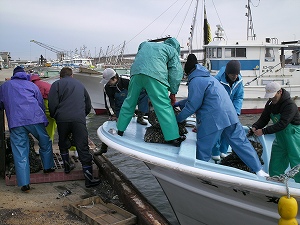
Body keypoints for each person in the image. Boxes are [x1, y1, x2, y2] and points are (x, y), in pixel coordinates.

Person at [175, 54, 268, 176]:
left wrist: (177, 119)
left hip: (213, 119)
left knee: (204, 147)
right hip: (231, 116)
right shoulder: (208, 78)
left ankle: (199, 174)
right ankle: (258, 170)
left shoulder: (196, 80)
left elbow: (193, 105)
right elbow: (194, 99)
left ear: (188, 72)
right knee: (241, 143)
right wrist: (178, 104)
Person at [116, 37, 185, 146]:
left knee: (130, 101)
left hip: (135, 73)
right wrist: (173, 92)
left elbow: (143, 57)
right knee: (163, 106)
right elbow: (175, 73)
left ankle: (120, 129)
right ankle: (173, 138)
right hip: (155, 75)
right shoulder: (172, 51)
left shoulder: (145, 44)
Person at [0, 66, 55, 192]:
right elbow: (40, 103)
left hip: (16, 122)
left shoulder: (5, 86)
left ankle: (24, 183)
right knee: (45, 141)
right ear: (24, 75)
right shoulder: (32, 85)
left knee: (20, 151)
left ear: (14, 75)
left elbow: (1, 103)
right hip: (35, 118)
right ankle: (47, 167)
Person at [48, 67, 101, 188]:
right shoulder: (80, 84)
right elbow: (88, 103)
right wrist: (82, 115)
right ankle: (88, 179)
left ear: (60, 76)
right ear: (72, 75)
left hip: (62, 118)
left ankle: (67, 167)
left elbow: (52, 103)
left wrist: (55, 115)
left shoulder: (56, 84)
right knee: (82, 146)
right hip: (78, 118)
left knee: (63, 141)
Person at [251, 81, 300, 182]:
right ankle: (275, 181)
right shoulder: (270, 103)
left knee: (296, 160)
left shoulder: (290, 105)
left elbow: (283, 124)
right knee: (276, 161)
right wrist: (256, 126)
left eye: (273, 96)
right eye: (269, 96)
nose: (271, 98)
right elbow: (264, 118)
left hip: (293, 136)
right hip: (280, 137)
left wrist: (263, 131)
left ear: (280, 92)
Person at [95, 68, 149, 156]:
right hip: (119, 107)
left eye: (109, 81)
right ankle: (103, 148)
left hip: (131, 102)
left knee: (144, 95)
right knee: (111, 126)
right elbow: (108, 103)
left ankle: (140, 116)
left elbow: (140, 90)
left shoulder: (126, 81)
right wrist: (113, 115)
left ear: (114, 78)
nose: (108, 83)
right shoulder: (107, 88)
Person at [211, 60, 244, 160]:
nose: (235, 76)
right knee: (217, 130)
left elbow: (239, 97)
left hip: (231, 110)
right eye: (232, 74)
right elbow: (213, 97)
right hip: (218, 110)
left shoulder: (239, 81)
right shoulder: (217, 81)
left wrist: (236, 111)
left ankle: (223, 150)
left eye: (236, 74)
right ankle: (215, 151)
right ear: (227, 73)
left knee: (229, 129)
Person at [30, 74, 57, 143]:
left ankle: (48, 141)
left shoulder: (36, 85)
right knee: (53, 124)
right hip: (55, 102)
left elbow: (39, 98)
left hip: (47, 103)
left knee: (48, 124)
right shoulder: (43, 83)